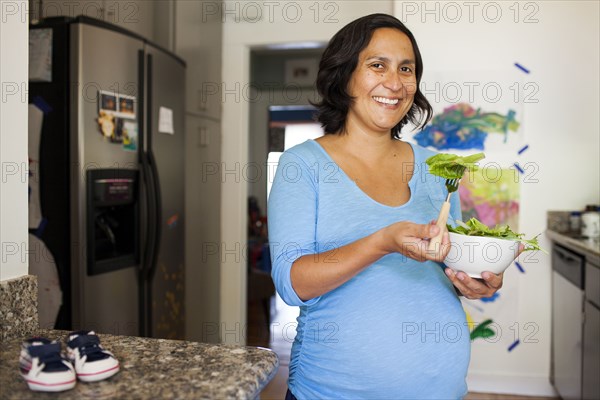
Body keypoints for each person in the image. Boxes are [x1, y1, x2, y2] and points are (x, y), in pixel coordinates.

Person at [268, 13, 508, 399]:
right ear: (344, 75)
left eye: (406, 69)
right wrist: (382, 242)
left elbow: (451, 267)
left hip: (441, 389)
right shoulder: (303, 166)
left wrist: (475, 280)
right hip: (334, 390)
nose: (395, 83)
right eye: (377, 65)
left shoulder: (437, 168)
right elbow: (292, 283)